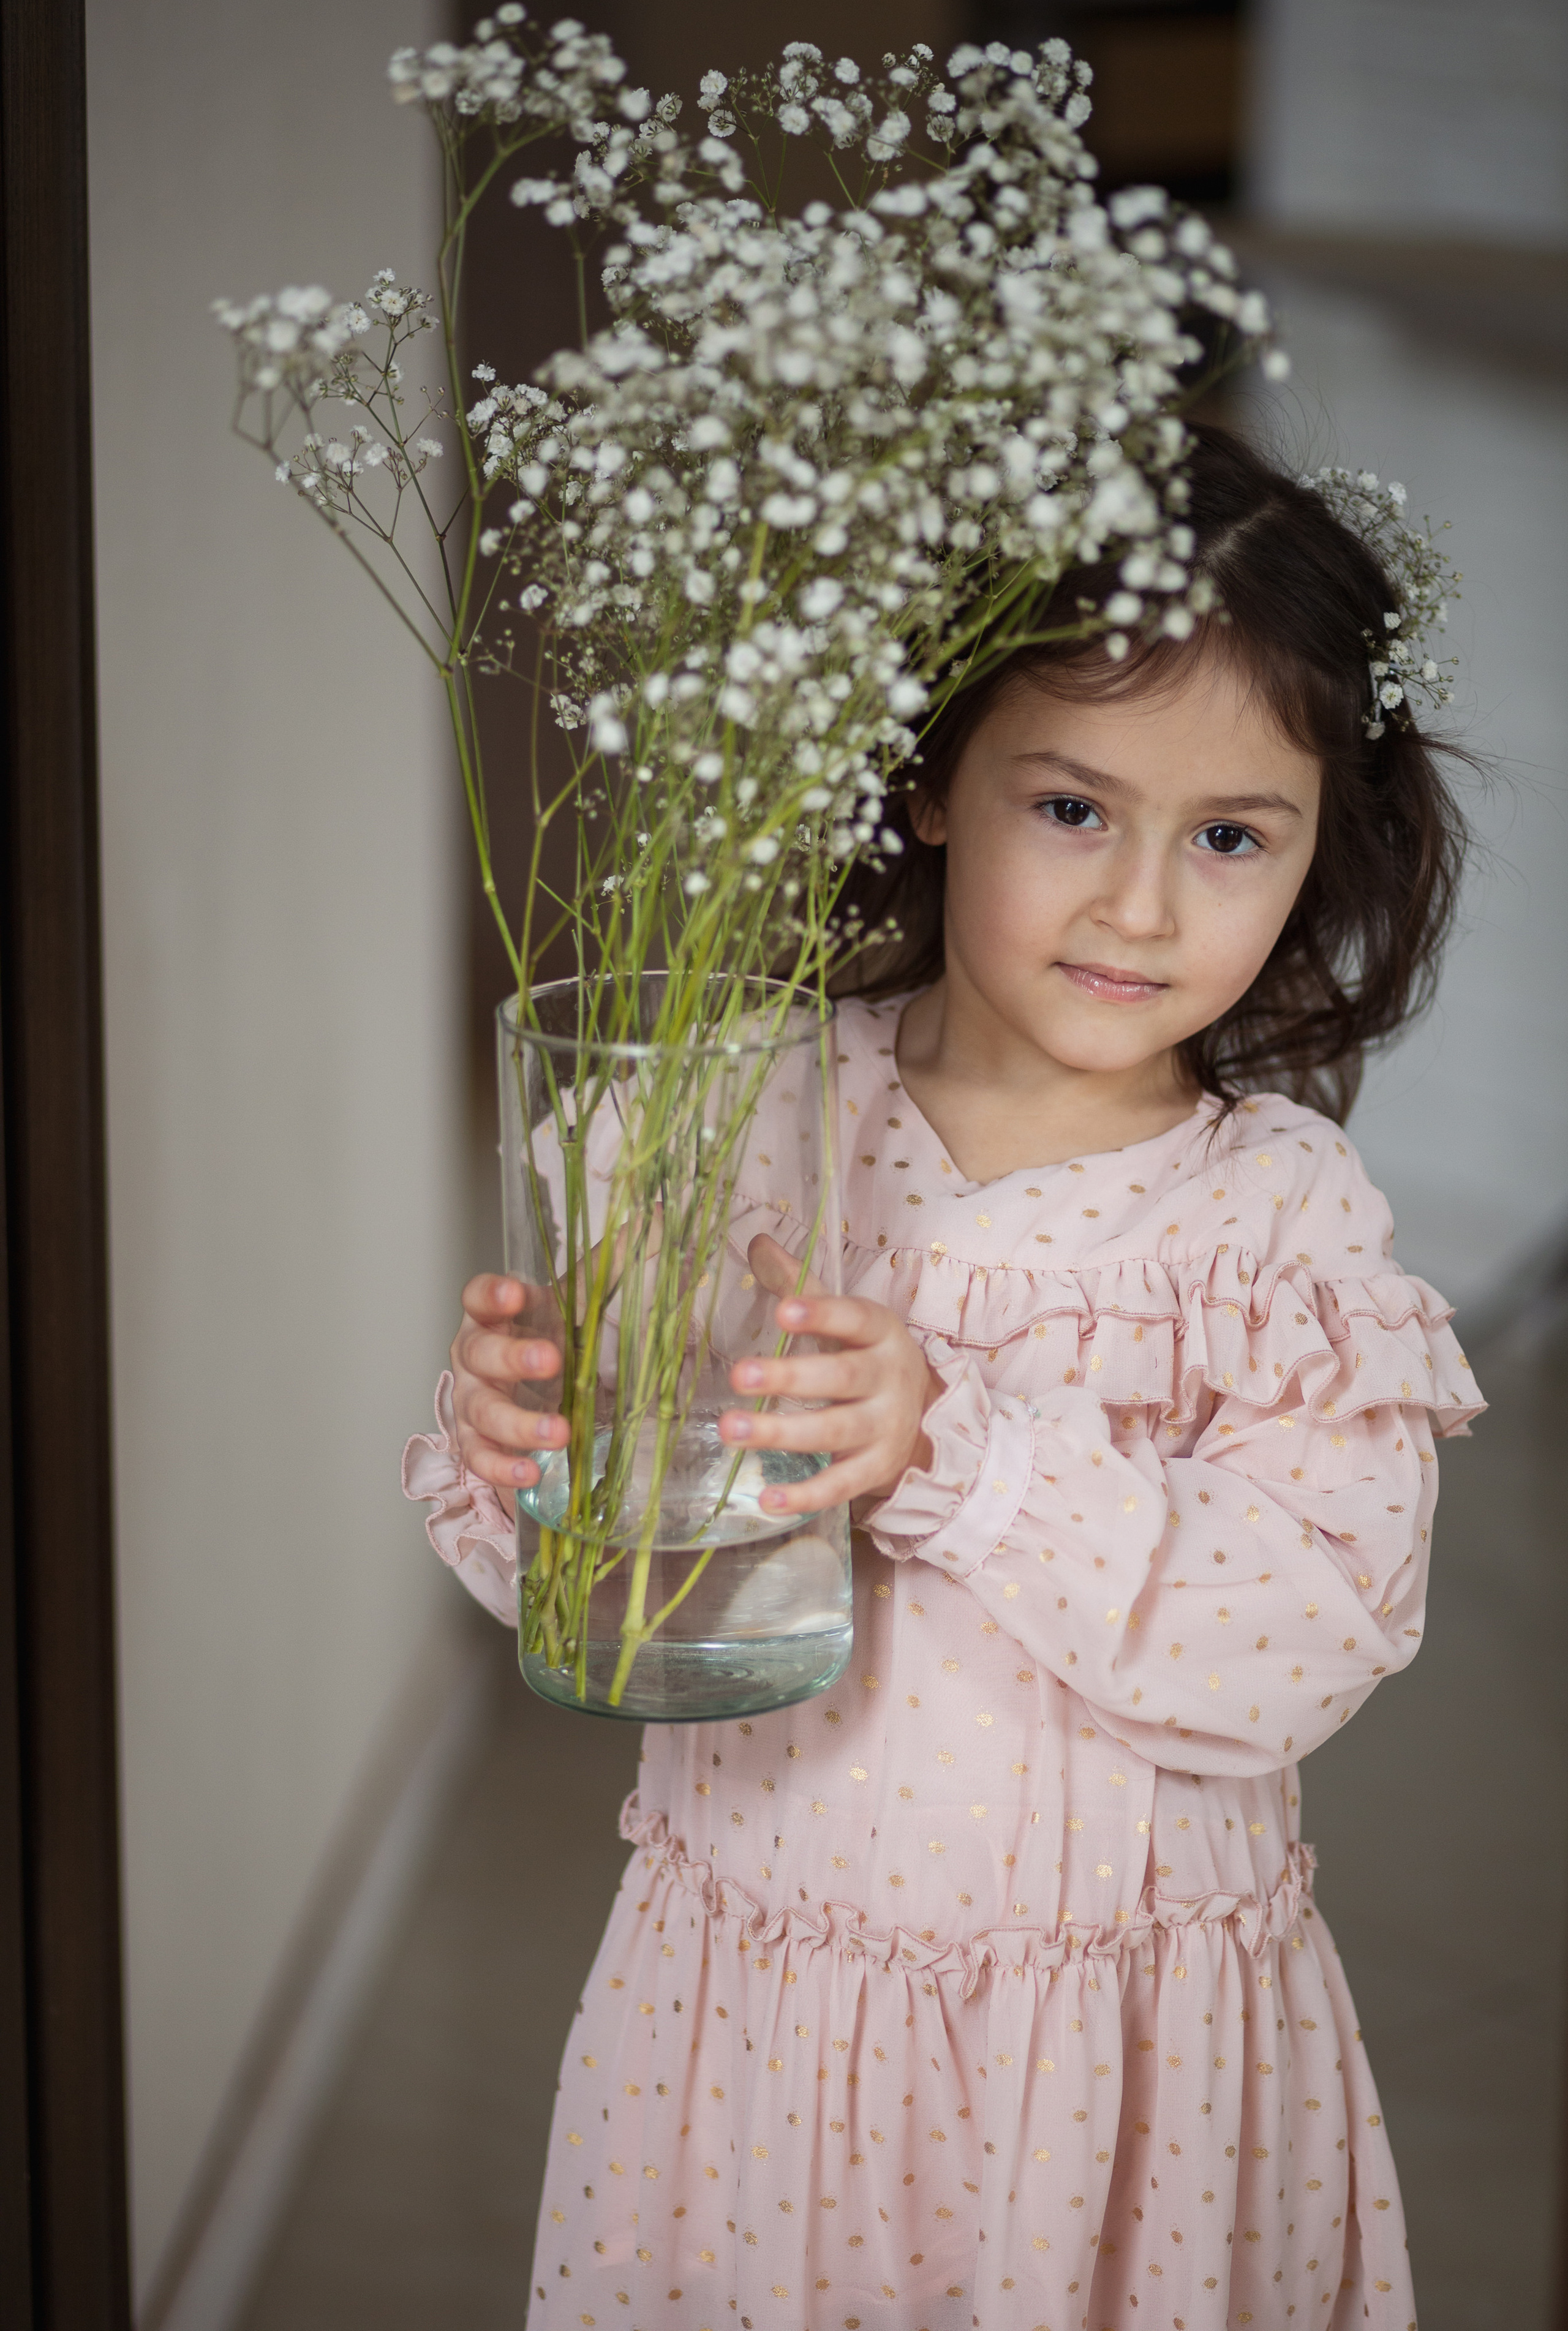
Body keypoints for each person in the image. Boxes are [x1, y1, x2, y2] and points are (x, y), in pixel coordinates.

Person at [405, 425, 1483, 2329]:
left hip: (1128, 2054)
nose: (1144, 906)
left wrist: (960, 1452)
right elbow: (592, 1595)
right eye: (1072, 808)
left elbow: (1308, 1637)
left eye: (1229, 837)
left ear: (1325, 850)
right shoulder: (720, 1124)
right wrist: (528, 1464)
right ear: (930, 783)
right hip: (757, 2022)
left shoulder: (1280, 1229)